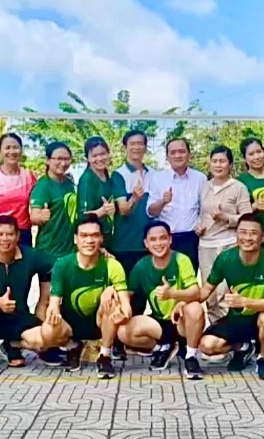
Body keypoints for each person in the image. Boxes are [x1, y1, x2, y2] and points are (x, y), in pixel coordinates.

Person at [35, 214, 131, 379]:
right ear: (75, 239)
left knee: (112, 301)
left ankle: (105, 355)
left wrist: (123, 314)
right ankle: (73, 347)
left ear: (101, 239)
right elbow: (54, 301)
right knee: (47, 330)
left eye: (94, 235)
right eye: (84, 236)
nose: (89, 240)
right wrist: (53, 311)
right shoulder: (62, 264)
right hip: (71, 326)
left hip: (100, 323)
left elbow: (126, 304)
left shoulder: (112, 265)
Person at [0, 215, 57, 377]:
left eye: (10, 234)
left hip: (20, 317)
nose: (5, 239)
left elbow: (61, 262)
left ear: (18, 236)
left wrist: (95, 254)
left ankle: (12, 345)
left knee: (44, 340)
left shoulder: (30, 255)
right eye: (0, 234)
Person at [198, 214, 264, 381]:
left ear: (262, 237)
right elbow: (206, 290)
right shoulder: (226, 258)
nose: (247, 238)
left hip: (260, 317)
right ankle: (244, 347)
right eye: (243, 232)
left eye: (253, 233)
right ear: (236, 235)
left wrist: (245, 302)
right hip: (236, 319)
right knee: (207, 346)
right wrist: (183, 302)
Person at [118, 221, 205, 379]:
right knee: (123, 332)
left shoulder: (181, 260)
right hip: (159, 324)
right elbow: (128, 294)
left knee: (195, 309)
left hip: (180, 322)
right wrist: (112, 296)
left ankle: (191, 357)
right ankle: (163, 348)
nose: (158, 243)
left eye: (163, 238)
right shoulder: (141, 266)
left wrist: (172, 293)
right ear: (146, 243)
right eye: (153, 239)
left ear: (170, 240)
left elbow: (196, 293)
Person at [30, 141, 77, 365]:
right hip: (48, 251)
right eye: (57, 158)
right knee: (47, 297)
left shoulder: (69, 184)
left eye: (66, 158)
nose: (62, 163)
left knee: (62, 297)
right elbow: (33, 215)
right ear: (48, 160)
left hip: (68, 251)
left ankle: (58, 339)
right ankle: (45, 343)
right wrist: (40, 217)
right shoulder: (43, 185)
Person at [111, 130, 155, 359]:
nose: (137, 147)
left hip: (147, 245)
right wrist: (136, 197)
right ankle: (116, 342)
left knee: (141, 296)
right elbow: (124, 210)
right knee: (124, 294)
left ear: (146, 147)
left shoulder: (153, 174)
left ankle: (133, 339)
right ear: (125, 147)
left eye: (141, 143)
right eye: (132, 143)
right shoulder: (118, 175)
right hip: (124, 245)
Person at [197, 146, 252, 325]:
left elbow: (247, 218)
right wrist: (198, 227)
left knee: (225, 291)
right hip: (205, 245)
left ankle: (231, 331)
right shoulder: (204, 186)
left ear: (230, 164)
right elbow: (199, 213)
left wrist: (226, 217)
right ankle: (215, 329)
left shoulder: (238, 187)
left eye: (222, 161)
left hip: (228, 243)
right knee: (210, 292)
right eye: (214, 161)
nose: (218, 165)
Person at [147, 138, 207, 270]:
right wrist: (163, 202)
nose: (177, 155)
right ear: (167, 157)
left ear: (189, 155)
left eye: (181, 151)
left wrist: (202, 225)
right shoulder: (157, 178)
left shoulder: (200, 178)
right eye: (173, 152)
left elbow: (205, 208)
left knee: (190, 275)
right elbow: (150, 212)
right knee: (167, 276)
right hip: (167, 239)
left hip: (192, 238)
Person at [78, 136, 133, 247]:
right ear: (87, 158)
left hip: (107, 236)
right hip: (93, 240)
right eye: (94, 156)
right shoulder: (87, 179)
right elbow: (83, 216)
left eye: (103, 154)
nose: (99, 158)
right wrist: (102, 211)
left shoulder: (107, 175)